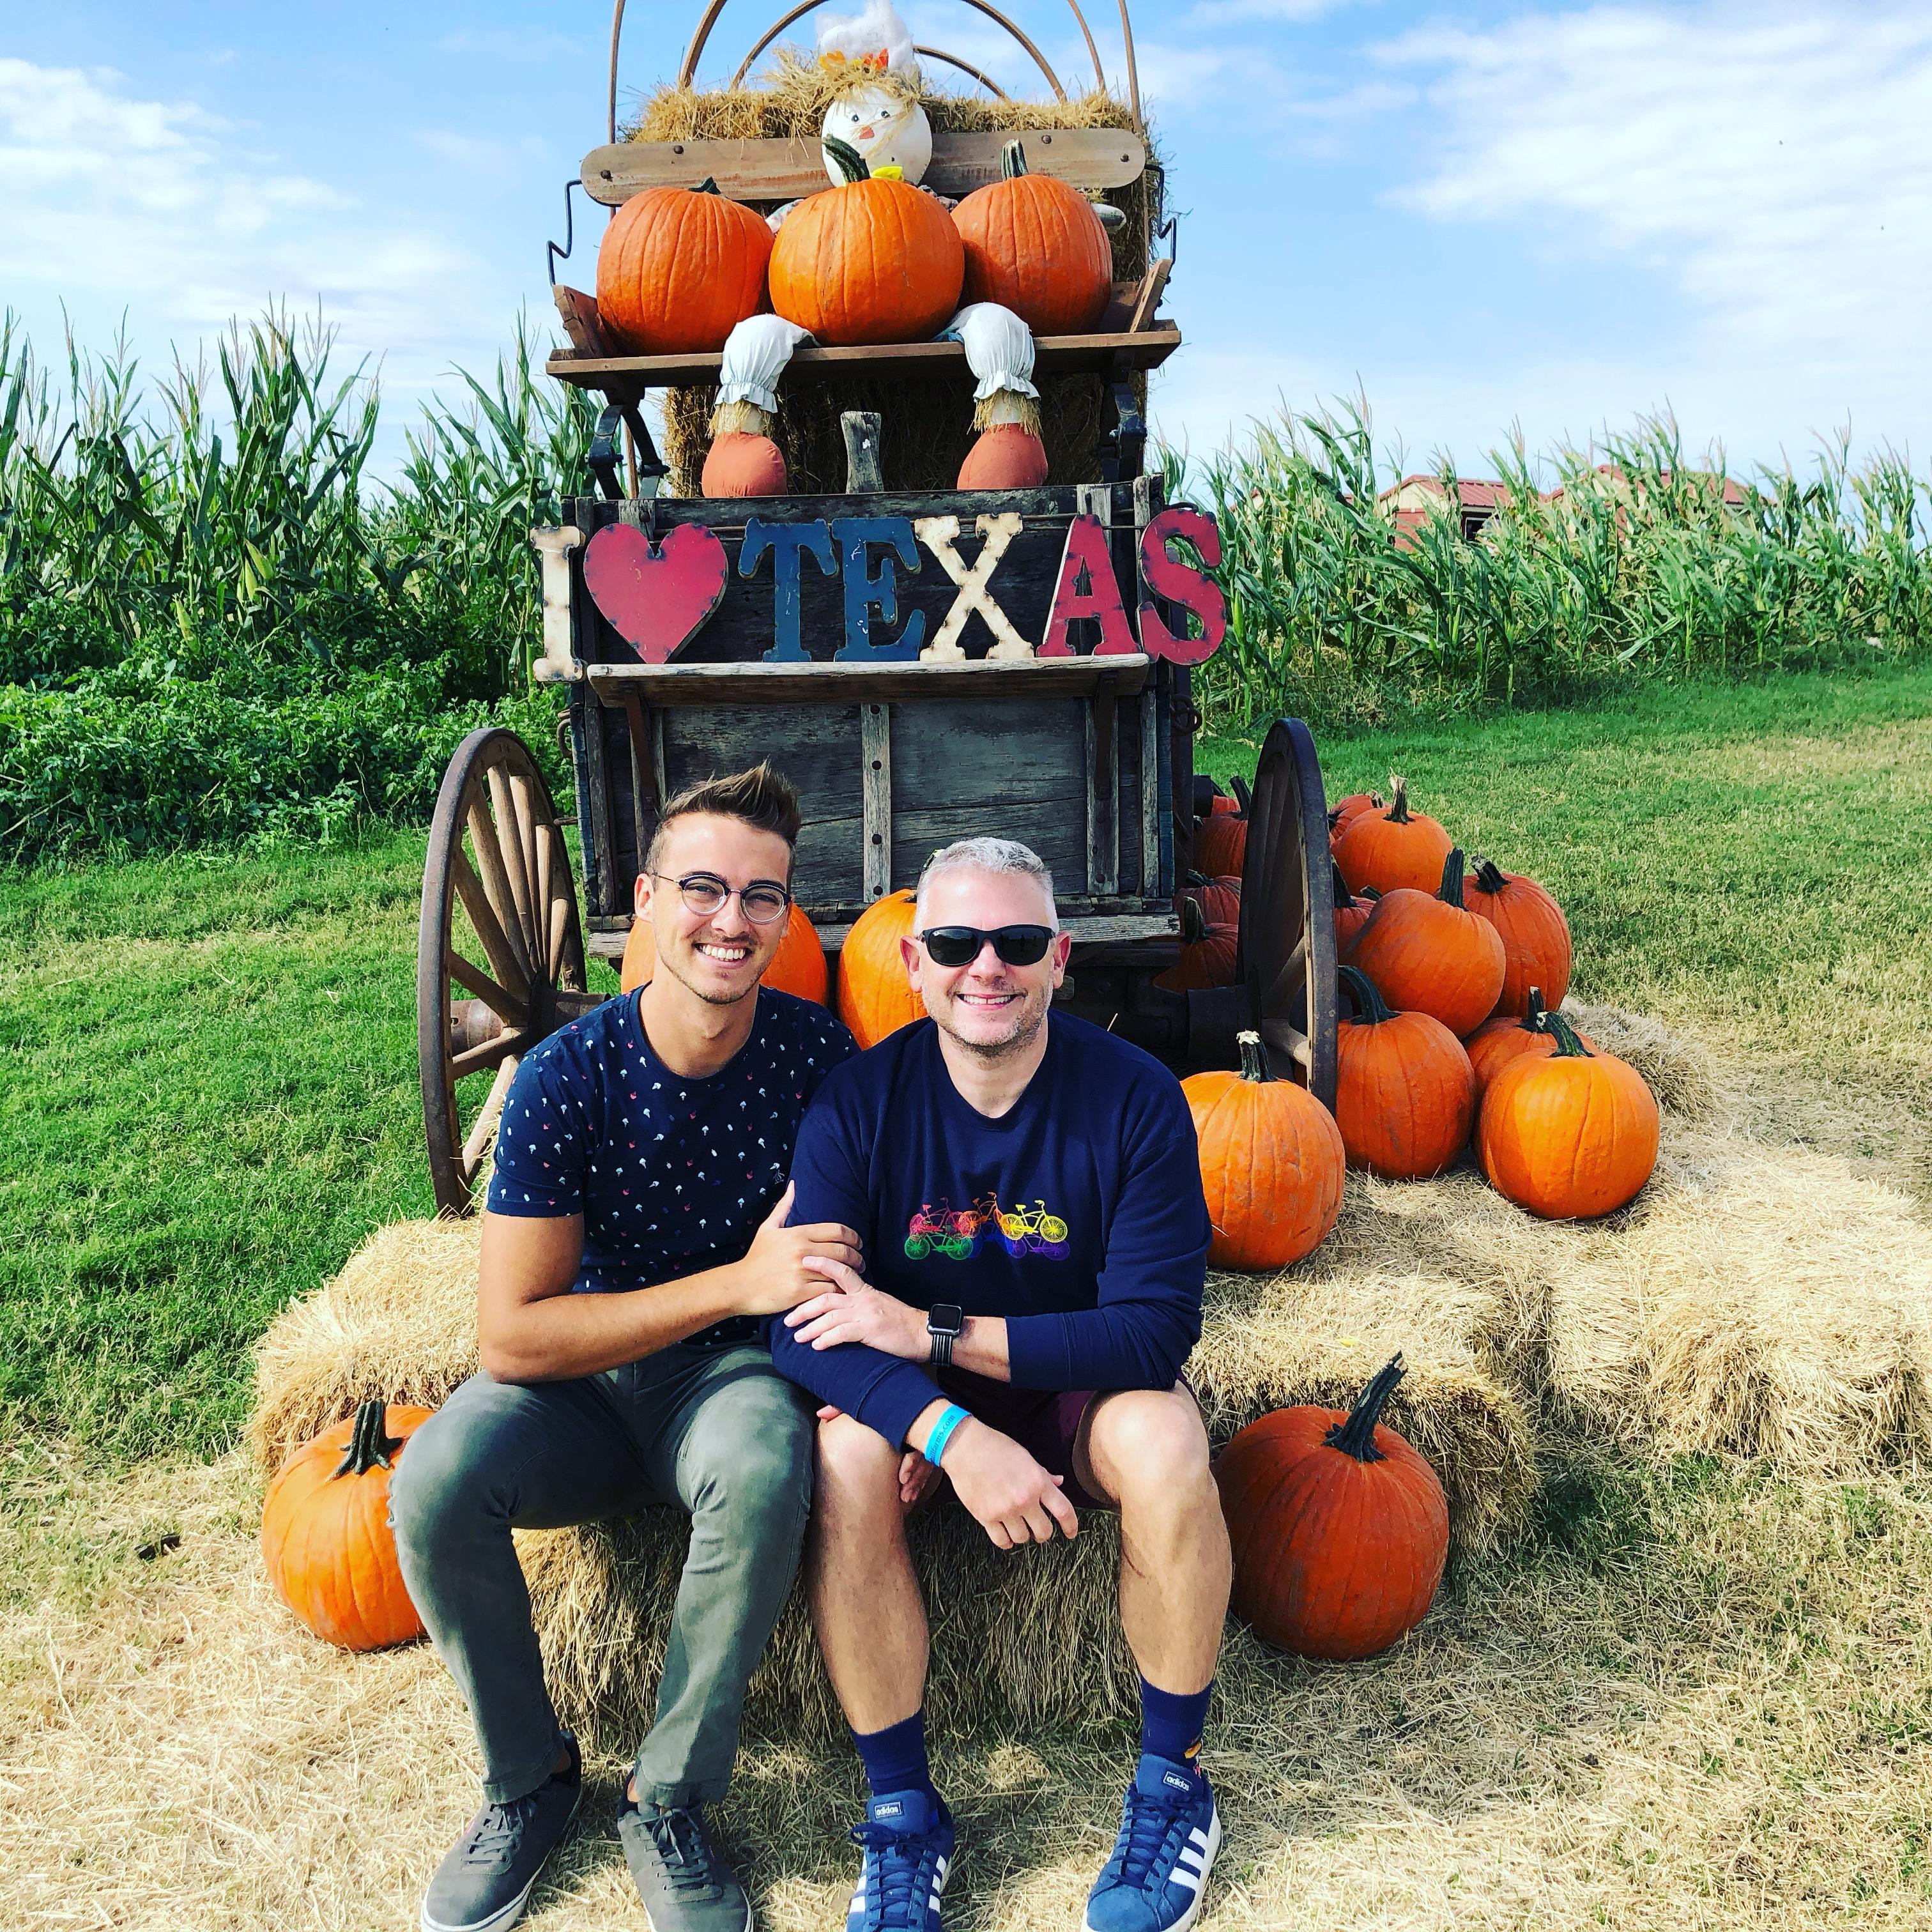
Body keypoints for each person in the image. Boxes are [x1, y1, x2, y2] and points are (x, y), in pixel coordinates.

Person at [390, 764, 857, 1932]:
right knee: (437, 1475)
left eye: (763, 898)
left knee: (761, 1464)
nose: (731, 921)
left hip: (731, 1384)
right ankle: (529, 1782)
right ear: (644, 903)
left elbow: (851, 1267)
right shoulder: (562, 1079)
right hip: (581, 1392)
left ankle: (669, 1797)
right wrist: (736, 1282)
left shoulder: (819, 1065)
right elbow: (511, 1334)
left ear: (788, 919)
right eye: (702, 888)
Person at [767, 837, 1231, 1932]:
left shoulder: (1135, 1099)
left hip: (1075, 1387)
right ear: (913, 965)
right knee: (843, 1455)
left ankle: (1173, 1781)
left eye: (1018, 942)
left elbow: (1156, 1333)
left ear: (1060, 959)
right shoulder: (855, 1104)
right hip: (929, 1396)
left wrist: (928, 1327)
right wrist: (948, 1436)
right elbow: (802, 1329)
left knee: (1168, 1447)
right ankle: (902, 1812)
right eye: (957, 944)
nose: (989, 967)